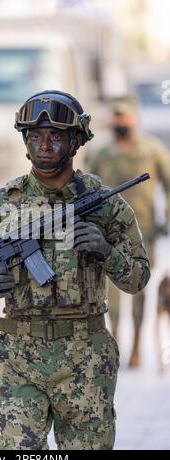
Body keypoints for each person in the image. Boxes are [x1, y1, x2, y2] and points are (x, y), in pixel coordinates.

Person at [0, 91, 150, 450]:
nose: (44, 145)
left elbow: (138, 279)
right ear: (25, 141)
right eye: (35, 136)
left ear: (76, 141)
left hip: (87, 357)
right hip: (19, 356)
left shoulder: (105, 206)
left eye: (56, 136)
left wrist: (106, 252)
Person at [87, 98, 170, 367]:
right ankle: (114, 344)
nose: (121, 124)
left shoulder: (152, 150)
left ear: (134, 119)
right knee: (110, 295)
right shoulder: (102, 153)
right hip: (108, 233)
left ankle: (135, 345)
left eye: (126, 118)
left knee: (138, 291)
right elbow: (88, 189)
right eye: (117, 119)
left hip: (142, 233)